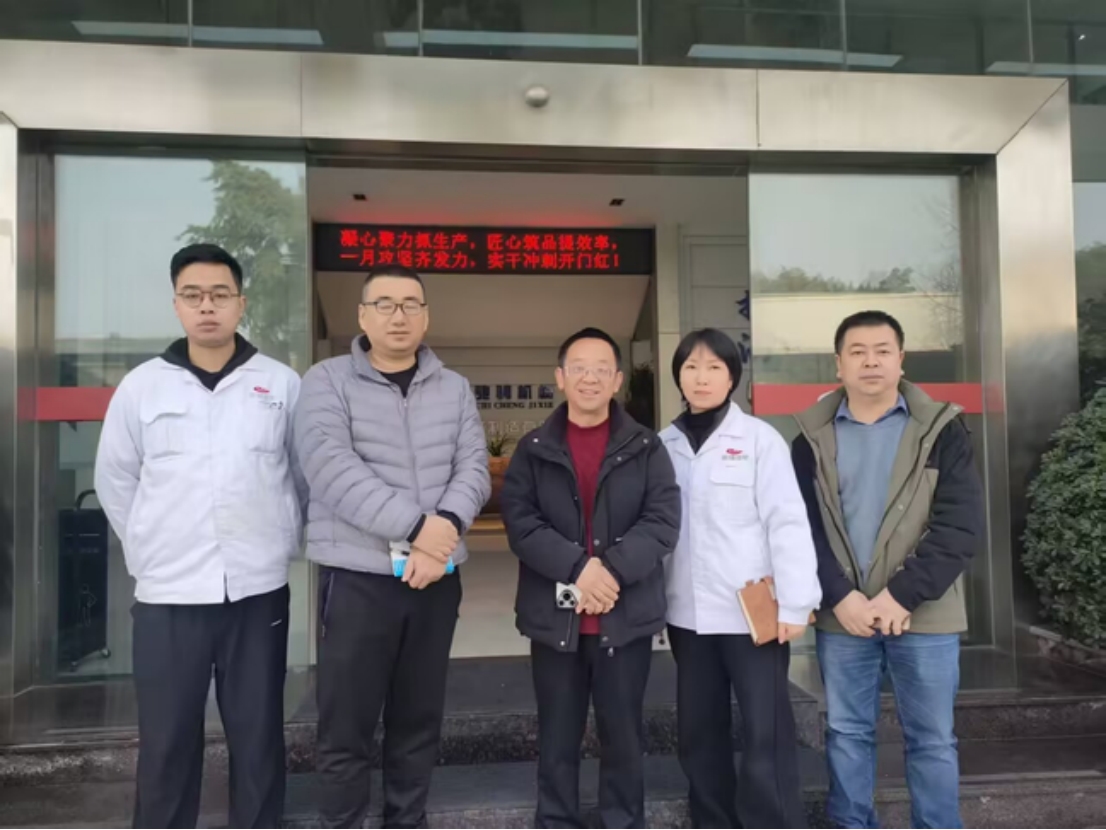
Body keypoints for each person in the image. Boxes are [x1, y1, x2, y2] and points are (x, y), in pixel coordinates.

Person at [94, 243, 302, 829]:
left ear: (241, 303)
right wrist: (149, 550)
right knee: (166, 742)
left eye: (219, 295)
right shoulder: (141, 387)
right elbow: (115, 480)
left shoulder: (281, 383)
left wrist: (282, 541)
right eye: (193, 295)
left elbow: (301, 477)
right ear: (177, 305)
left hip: (257, 590)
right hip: (168, 596)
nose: (206, 306)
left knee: (258, 738)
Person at [294, 264, 490, 829]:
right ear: (362, 316)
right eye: (384, 304)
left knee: (418, 718)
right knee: (346, 723)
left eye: (410, 304)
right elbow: (331, 468)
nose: (397, 315)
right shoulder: (326, 381)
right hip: (357, 578)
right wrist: (418, 528)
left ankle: (408, 819)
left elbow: (473, 468)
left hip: (435, 577)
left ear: (426, 317)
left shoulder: (453, 387)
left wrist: (443, 529)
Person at [791, 310, 983, 830]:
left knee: (932, 740)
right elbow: (800, 529)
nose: (870, 361)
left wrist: (901, 595)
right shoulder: (809, 438)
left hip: (924, 614)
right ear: (839, 364)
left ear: (901, 360)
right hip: (845, 617)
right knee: (847, 734)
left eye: (882, 351)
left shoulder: (942, 430)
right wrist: (839, 596)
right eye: (857, 352)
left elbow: (960, 524)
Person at [500, 327, 681, 830]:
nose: (590, 378)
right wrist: (579, 568)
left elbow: (662, 521)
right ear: (560, 378)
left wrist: (610, 572)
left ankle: (623, 821)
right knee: (557, 737)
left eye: (602, 369)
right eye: (579, 367)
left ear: (618, 380)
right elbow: (521, 522)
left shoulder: (646, 447)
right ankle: (555, 820)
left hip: (625, 616)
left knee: (623, 736)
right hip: (554, 619)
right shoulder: (534, 448)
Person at [659, 328, 820, 829]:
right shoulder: (662, 445)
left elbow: (787, 521)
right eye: (691, 367)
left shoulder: (759, 439)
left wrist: (796, 603)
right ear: (678, 377)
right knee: (698, 733)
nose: (701, 377)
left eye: (714, 367)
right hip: (688, 615)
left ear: (732, 377)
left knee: (765, 733)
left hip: (754, 618)